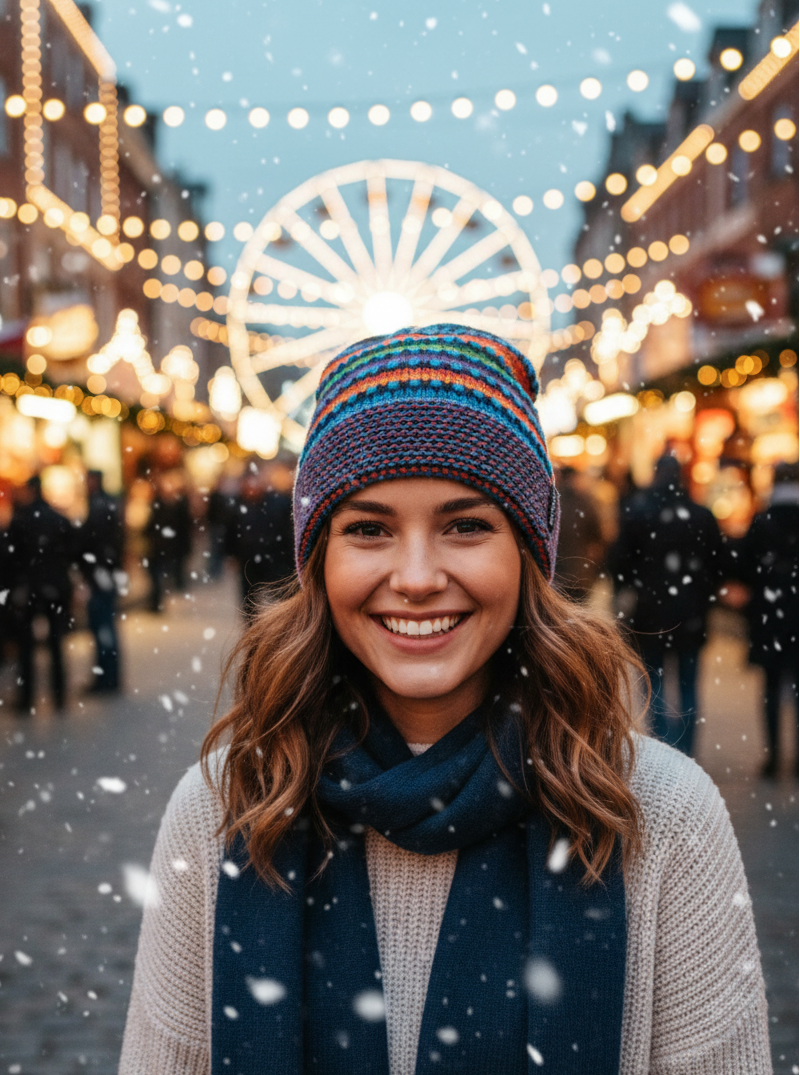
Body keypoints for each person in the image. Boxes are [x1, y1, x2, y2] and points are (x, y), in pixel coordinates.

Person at [120, 327, 770, 1075]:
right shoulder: (225, 807)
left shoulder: (659, 813)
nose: (419, 575)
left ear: (528, 554)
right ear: (318, 561)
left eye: (466, 526)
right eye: (368, 529)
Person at [608, 454, 724, 756]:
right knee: (688, 684)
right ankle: (686, 752)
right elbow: (718, 565)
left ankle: (665, 750)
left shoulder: (639, 511)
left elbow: (620, 561)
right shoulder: (700, 514)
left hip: (650, 613)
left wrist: (625, 594)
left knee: (654, 683)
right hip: (691, 612)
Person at [737, 461, 799, 778]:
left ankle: (774, 758)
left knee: (772, 687)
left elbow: (745, 565)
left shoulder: (763, 519)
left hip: (771, 615)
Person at [8, 475, 74, 713]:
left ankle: (26, 698)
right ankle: (59, 695)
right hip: (55, 587)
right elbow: (70, 551)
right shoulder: (58, 519)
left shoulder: (21, 520)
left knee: (26, 647)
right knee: (56, 643)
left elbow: (11, 558)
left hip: (29, 589)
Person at [75, 470, 125, 694]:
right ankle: (110, 676)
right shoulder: (108, 505)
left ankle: (106, 677)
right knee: (107, 626)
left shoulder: (97, 507)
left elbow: (90, 543)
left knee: (103, 626)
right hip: (106, 574)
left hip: (100, 576)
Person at [225, 461, 295, 616]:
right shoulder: (237, 506)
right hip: (248, 558)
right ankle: (252, 625)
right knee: (249, 596)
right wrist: (231, 554)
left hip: (273, 557)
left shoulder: (276, 504)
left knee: (276, 595)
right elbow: (231, 532)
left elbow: (285, 531)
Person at [553, 465, 605, 600]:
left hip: (556, 575)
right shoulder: (585, 503)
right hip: (580, 574)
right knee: (577, 614)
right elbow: (598, 536)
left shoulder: (551, 504)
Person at [145, 470, 192, 613]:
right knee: (156, 575)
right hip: (158, 547)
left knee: (160, 575)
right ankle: (156, 601)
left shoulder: (177, 505)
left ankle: (158, 601)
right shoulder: (158, 504)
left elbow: (184, 527)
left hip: (167, 547)